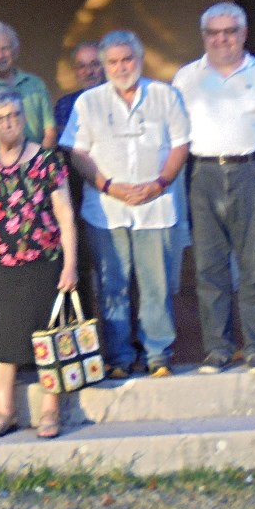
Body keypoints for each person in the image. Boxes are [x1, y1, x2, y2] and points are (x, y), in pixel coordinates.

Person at [172, 2, 255, 375]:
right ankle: (217, 350)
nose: (222, 39)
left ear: (243, 33)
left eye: (230, 31)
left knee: (254, 265)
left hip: (250, 172)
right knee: (209, 266)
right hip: (203, 173)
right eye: (214, 32)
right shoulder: (186, 78)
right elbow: (174, 134)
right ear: (204, 37)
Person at [63, 30, 189, 378]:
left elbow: (180, 145)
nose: (121, 67)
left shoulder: (165, 96)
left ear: (140, 58)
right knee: (112, 285)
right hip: (106, 210)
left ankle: (157, 354)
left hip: (156, 206)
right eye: (114, 62)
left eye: (127, 59)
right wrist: (109, 186)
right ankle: (118, 357)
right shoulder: (88, 103)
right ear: (104, 66)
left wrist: (160, 183)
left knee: (155, 285)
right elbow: (77, 152)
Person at [0, 89, 79, 439]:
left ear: (23, 118)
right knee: (0, 338)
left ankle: (50, 412)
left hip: (44, 262)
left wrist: (70, 264)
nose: (8, 124)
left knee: (49, 336)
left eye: (14, 116)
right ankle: (4, 410)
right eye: (0, 119)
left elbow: (65, 214)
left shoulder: (47, 161)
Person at [0, 21, 57, 149]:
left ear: (16, 51)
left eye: (5, 49)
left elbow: (50, 132)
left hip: (35, 164)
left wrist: (38, 162)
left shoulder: (35, 84)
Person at [53, 41, 103, 136]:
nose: (88, 72)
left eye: (95, 64)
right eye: (81, 66)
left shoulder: (120, 100)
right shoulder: (65, 105)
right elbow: (62, 142)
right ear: (75, 70)